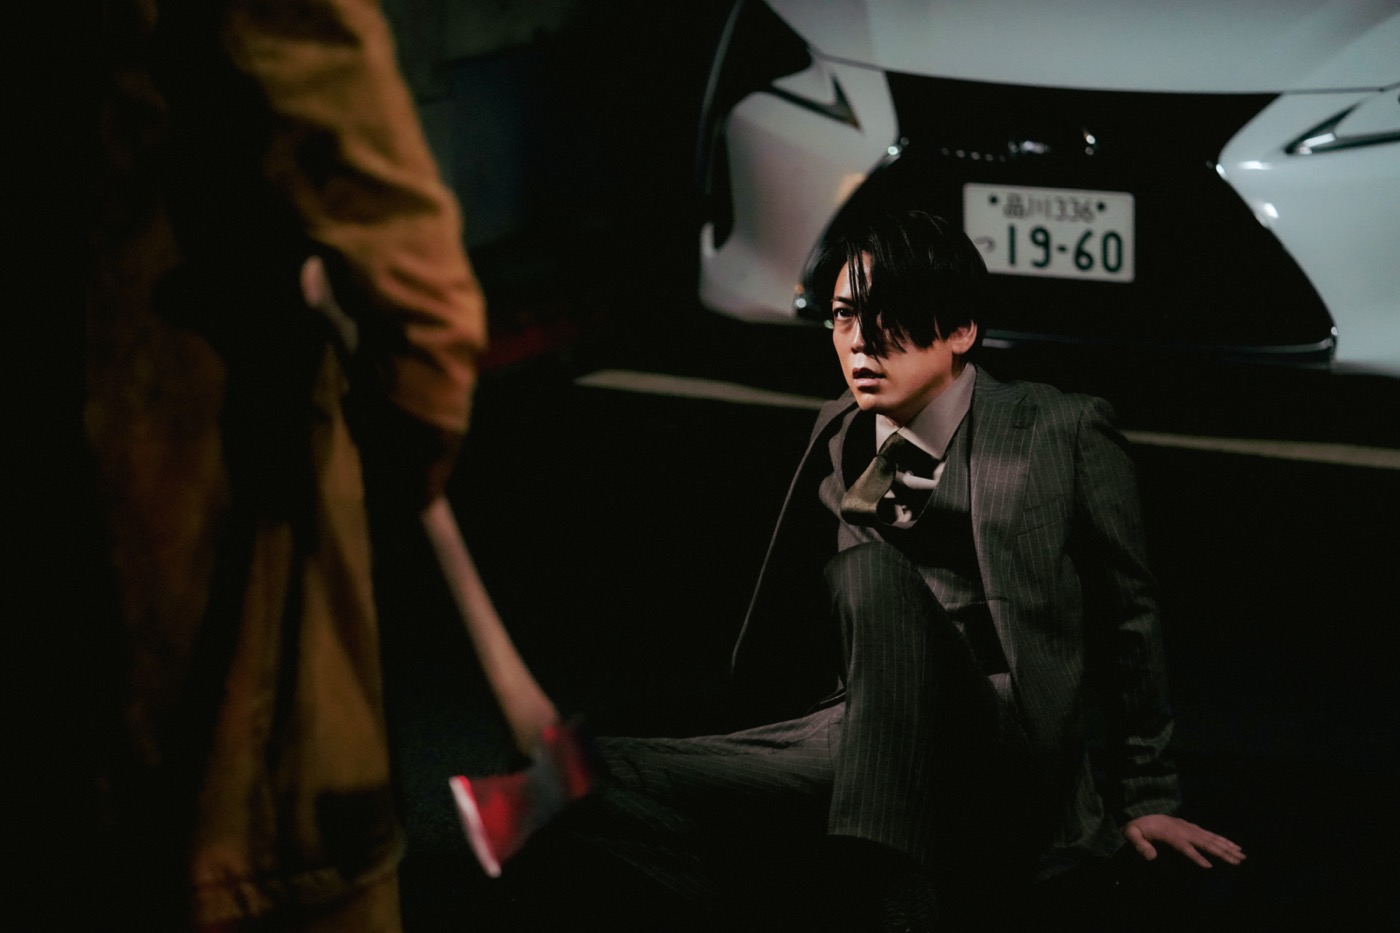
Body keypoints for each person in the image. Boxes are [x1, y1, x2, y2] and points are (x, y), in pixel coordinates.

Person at [588, 210, 1244, 931]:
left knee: (868, 573)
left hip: (999, 742)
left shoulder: (1061, 427)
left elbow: (1129, 615)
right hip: (861, 725)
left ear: (960, 330)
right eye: (845, 315)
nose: (860, 341)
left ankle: (890, 894)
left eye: (889, 316)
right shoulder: (841, 431)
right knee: (585, 774)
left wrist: (1147, 796)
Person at [14, 0, 485, 929]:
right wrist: (411, 415)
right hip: (213, 475)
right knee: (260, 845)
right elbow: (417, 299)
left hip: (94, 446)